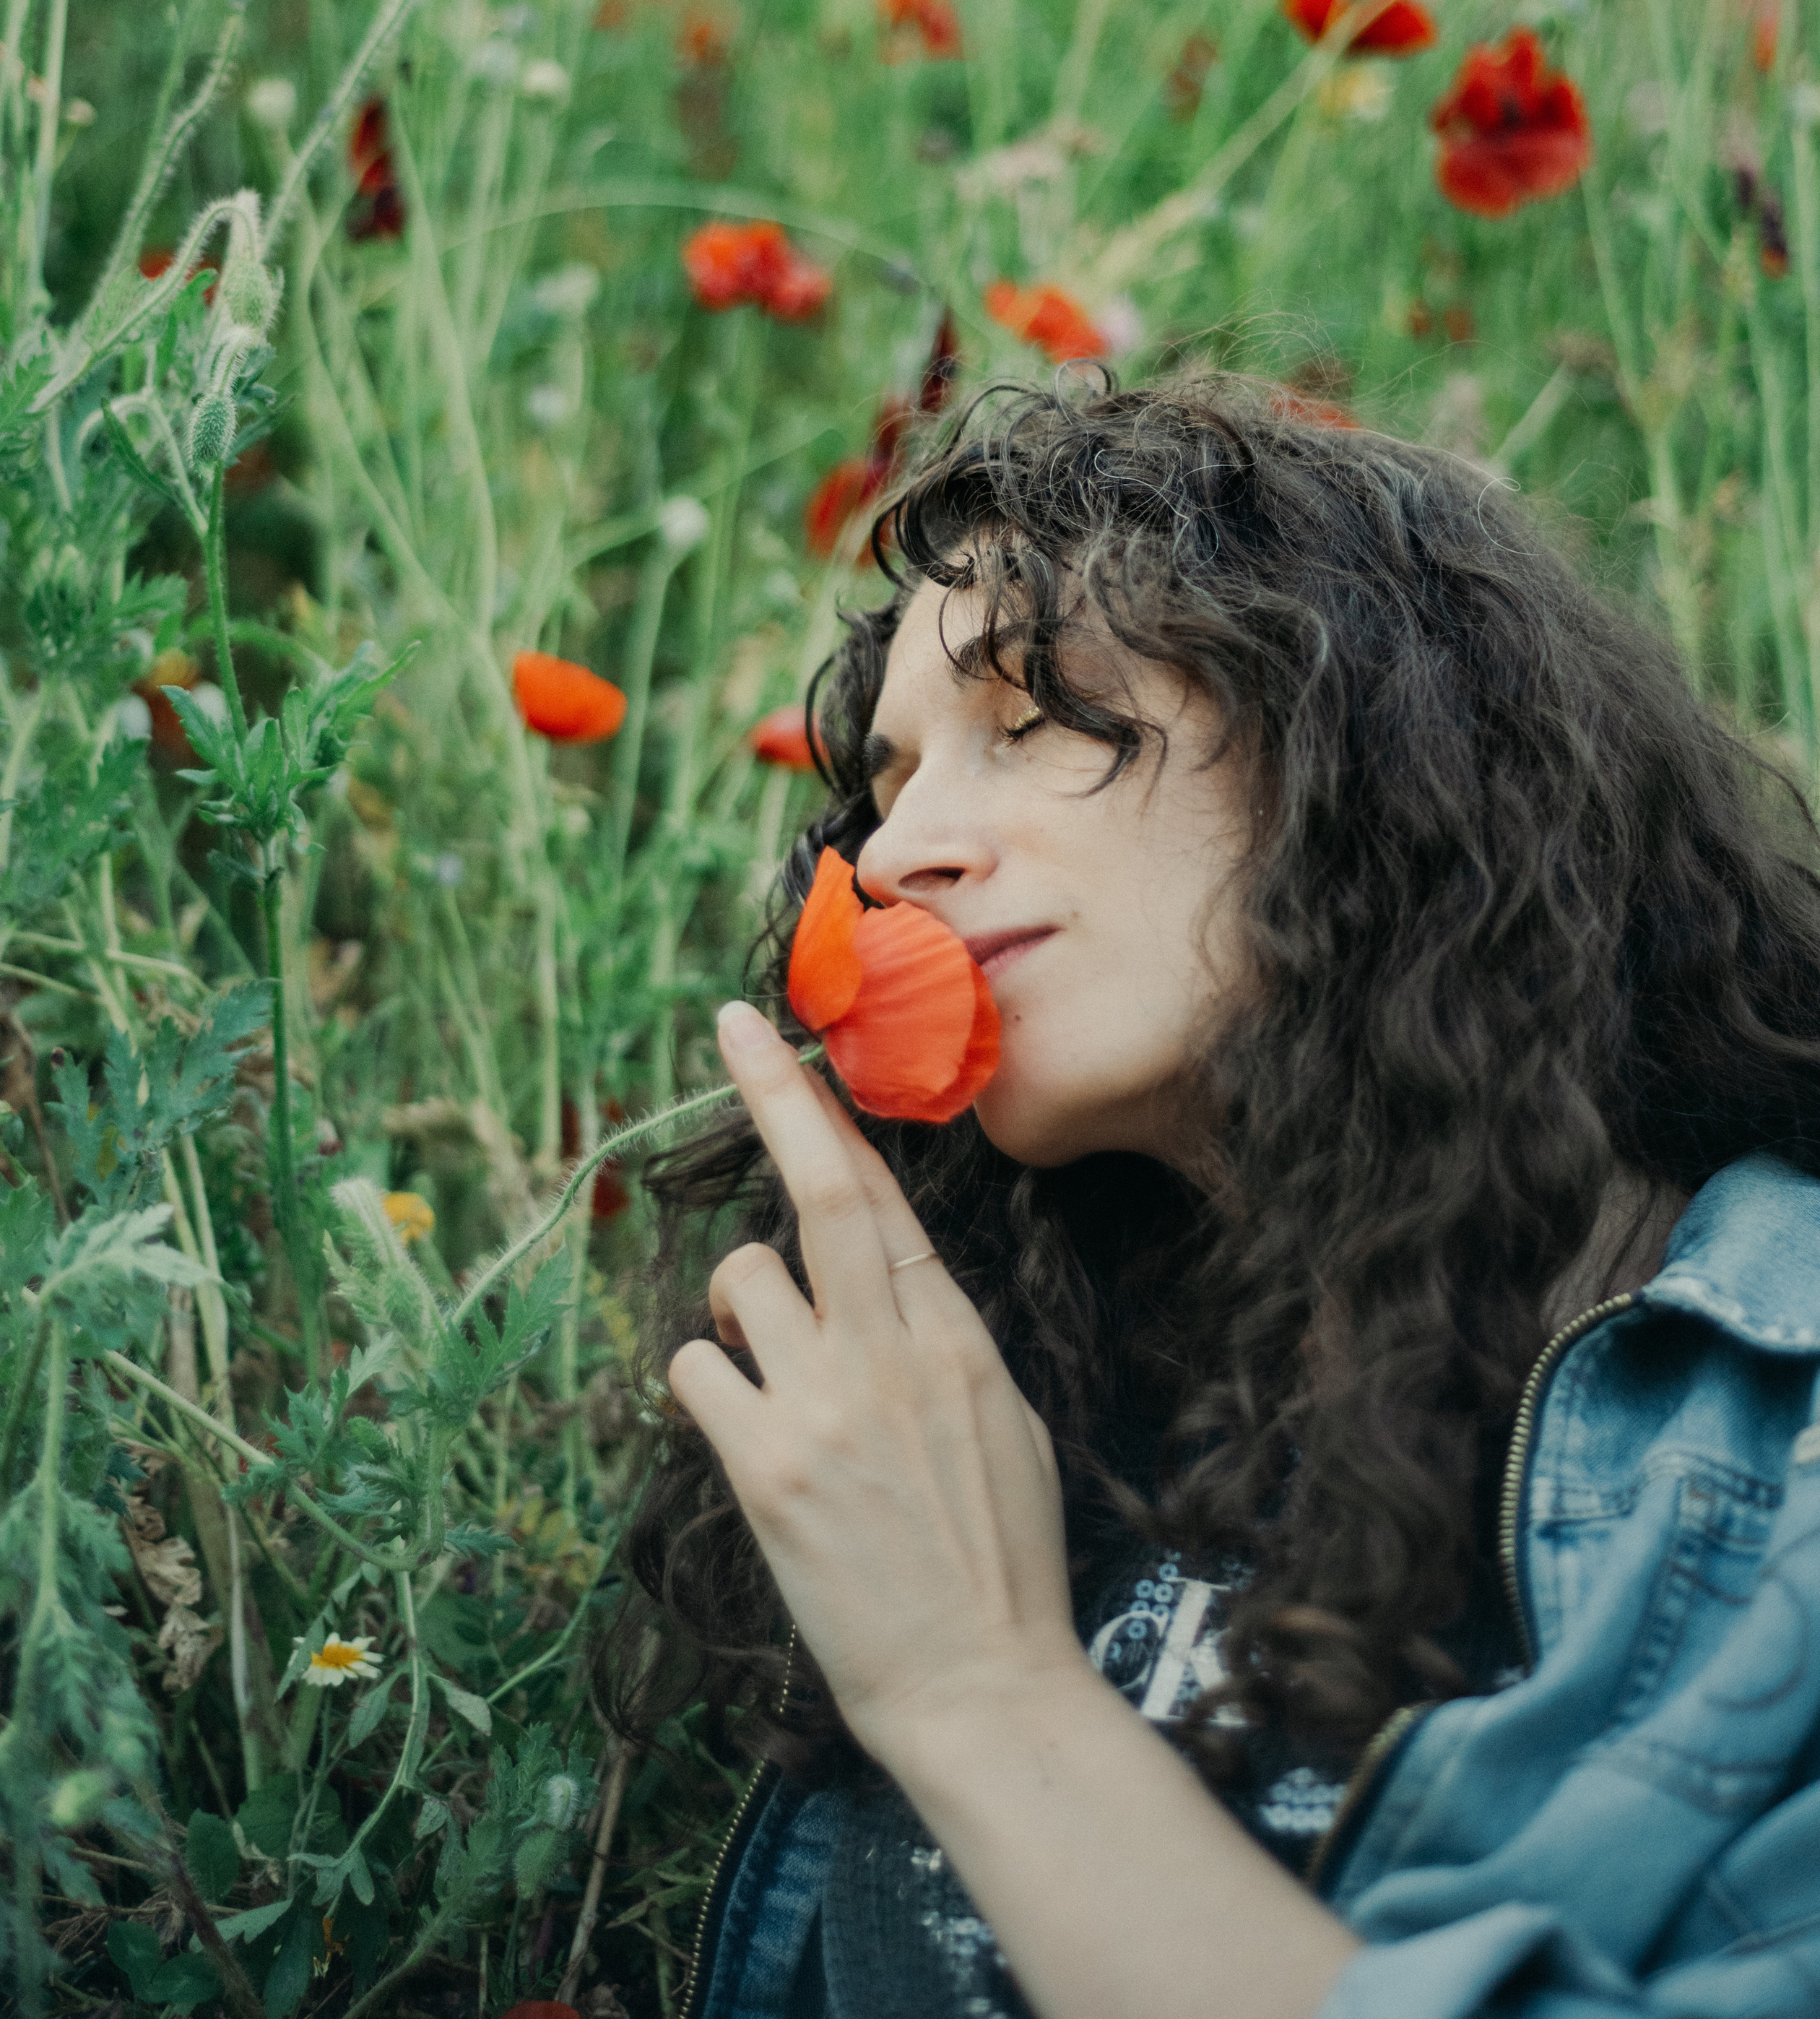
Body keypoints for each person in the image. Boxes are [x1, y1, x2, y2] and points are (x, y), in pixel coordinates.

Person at [602, 373, 1820, 2019]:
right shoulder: (1042, 1411)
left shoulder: (1776, 1429)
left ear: (1375, 747)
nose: (889, 861)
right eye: (886, 786)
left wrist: (976, 1688)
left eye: (1032, 720)